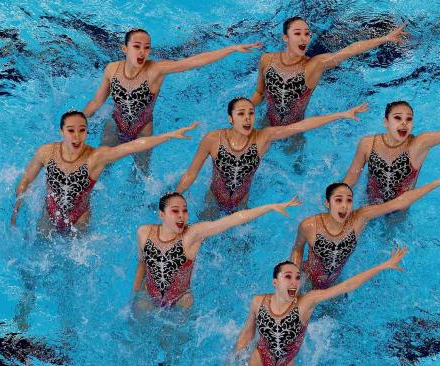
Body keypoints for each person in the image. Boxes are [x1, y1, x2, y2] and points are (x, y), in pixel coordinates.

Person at [83, 28, 260, 173]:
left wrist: (231, 49)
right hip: (115, 124)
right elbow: (96, 102)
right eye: (137, 46)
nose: (142, 52)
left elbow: (193, 62)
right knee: (101, 167)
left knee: (141, 174)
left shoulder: (156, 70)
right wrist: (79, 121)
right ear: (125, 49)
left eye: (146, 48)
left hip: (142, 130)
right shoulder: (112, 70)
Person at [10, 110, 198, 235]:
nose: (76, 136)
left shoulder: (95, 157)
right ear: (61, 131)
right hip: (49, 214)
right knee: (34, 257)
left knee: (73, 270)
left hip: (79, 219)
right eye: (71, 130)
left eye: (82, 131)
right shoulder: (46, 152)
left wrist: (168, 135)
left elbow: (133, 146)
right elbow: (26, 180)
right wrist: (16, 212)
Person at [176, 97, 368, 215]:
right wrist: (176, 196)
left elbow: (299, 126)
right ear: (230, 118)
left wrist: (341, 114)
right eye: (241, 114)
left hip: (242, 206)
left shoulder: (263, 137)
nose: (247, 118)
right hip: (213, 199)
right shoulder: (213, 139)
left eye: (251, 113)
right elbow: (191, 174)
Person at [291, 164, 440, 289]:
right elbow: (298, 249)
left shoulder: (360, 218)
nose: (344, 206)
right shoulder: (309, 226)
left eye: (349, 200)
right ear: (327, 203)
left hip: (336, 282)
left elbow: (400, 202)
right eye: (338, 200)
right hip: (307, 280)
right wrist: (293, 281)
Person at [234, 246, 408, 365]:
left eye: (297, 277)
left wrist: (383, 265)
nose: (294, 282)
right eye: (288, 277)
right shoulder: (259, 302)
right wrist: (234, 358)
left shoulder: (306, 303)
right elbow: (248, 332)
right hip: (258, 360)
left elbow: (347, 286)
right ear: (275, 282)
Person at [132, 193, 301, 308]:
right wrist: (135, 293)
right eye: (175, 211)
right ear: (162, 214)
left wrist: (270, 207)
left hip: (180, 302)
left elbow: (231, 220)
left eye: (185, 210)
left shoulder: (192, 235)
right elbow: (142, 263)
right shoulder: (144, 233)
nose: (181, 216)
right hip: (149, 296)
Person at [251, 17, 408, 127]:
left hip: (294, 132)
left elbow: (349, 50)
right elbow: (259, 92)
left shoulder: (314, 66)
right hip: (264, 124)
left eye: (307, 34)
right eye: (297, 33)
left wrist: (384, 38)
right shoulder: (267, 60)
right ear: (285, 38)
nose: (304, 38)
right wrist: (246, 108)